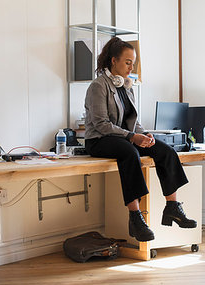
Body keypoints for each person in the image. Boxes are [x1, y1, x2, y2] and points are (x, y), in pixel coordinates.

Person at [84, 37, 196, 242]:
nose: (131, 67)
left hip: (125, 138)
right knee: (130, 152)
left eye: (133, 63)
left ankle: (172, 207)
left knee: (165, 150)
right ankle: (135, 217)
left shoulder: (127, 86)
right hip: (100, 140)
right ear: (113, 61)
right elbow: (101, 124)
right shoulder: (97, 87)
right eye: (127, 62)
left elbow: (133, 121)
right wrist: (131, 137)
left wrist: (144, 135)